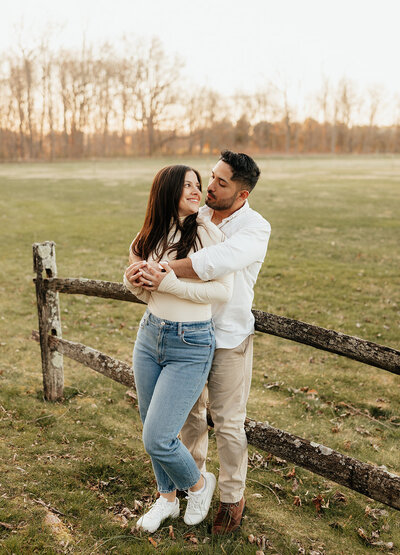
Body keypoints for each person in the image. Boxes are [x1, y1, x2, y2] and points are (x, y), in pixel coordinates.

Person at [137, 151, 271, 534]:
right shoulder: (197, 214)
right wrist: (141, 270)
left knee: (228, 423)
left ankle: (231, 498)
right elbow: (155, 237)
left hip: (227, 337)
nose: (209, 186)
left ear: (242, 194)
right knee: (189, 419)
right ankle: (189, 486)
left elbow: (216, 262)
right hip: (185, 335)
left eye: (221, 182)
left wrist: (159, 269)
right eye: (211, 177)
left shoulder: (255, 228)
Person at [123, 165, 233, 534]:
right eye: (186, 184)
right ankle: (166, 500)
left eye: (197, 185)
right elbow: (146, 293)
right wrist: (134, 281)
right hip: (150, 336)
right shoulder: (147, 235)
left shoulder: (206, 233)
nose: (195, 190)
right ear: (166, 190)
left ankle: (199, 486)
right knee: (149, 425)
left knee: (157, 436)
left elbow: (221, 292)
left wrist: (170, 284)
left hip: (191, 342)